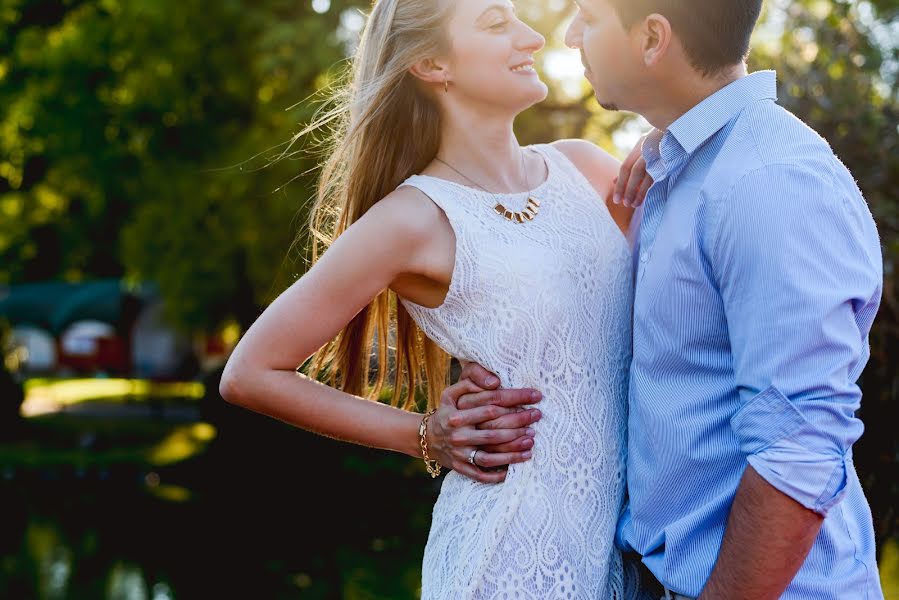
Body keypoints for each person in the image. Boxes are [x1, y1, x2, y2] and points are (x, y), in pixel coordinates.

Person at [219, 0, 650, 597]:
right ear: (431, 63)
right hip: (506, 560)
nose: (530, 37)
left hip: (625, 550)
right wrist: (426, 434)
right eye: (497, 23)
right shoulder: (411, 219)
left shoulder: (586, 169)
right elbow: (250, 372)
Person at [459, 0, 886, 598]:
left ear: (653, 38)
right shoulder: (680, 169)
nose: (572, 33)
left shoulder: (769, 182)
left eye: (590, 16)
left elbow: (799, 450)